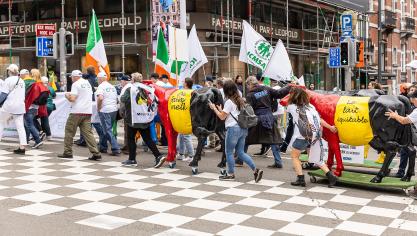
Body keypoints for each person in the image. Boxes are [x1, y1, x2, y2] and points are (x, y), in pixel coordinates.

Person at [209, 80, 263, 182]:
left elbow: (221, 117)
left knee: (229, 152)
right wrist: (221, 110)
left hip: (233, 129)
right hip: (243, 128)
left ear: (226, 90)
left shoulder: (229, 102)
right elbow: (232, 114)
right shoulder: (241, 100)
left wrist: (214, 109)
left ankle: (230, 174)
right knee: (240, 152)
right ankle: (256, 170)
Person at [287, 87, 338, 187]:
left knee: (295, 156)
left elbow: (283, 100)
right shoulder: (310, 106)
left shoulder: (292, 107)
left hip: (302, 136)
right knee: (316, 157)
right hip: (315, 135)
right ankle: (331, 176)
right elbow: (319, 120)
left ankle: (300, 178)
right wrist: (330, 127)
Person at [120, 72, 166, 167]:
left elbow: (123, 99)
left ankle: (132, 160)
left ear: (133, 80)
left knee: (130, 138)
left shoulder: (130, 88)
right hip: (145, 117)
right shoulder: (148, 88)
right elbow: (156, 101)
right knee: (147, 138)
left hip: (133, 118)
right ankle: (158, 156)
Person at [244, 76, 290, 169]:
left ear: (250, 84)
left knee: (246, 138)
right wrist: (289, 86)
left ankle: (239, 160)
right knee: (273, 140)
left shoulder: (250, 95)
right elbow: (279, 93)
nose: (247, 88)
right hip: (269, 117)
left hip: (257, 118)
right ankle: (278, 161)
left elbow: (249, 109)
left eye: (247, 85)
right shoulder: (266, 89)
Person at [58, 70, 101, 160]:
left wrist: (67, 95)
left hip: (76, 112)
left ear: (74, 77)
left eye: (72, 77)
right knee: (88, 133)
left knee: (69, 132)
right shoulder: (88, 83)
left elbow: (72, 99)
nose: (72, 79)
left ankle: (68, 152)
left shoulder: (76, 84)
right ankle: (96, 153)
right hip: (87, 111)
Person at [0, 64, 27, 154]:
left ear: (9, 71)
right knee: (20, 126)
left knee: (1, 123)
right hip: (19, 106)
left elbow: (3, 94)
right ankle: (22, 147)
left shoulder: (8, 80)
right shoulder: (22, 81)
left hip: (9, 106)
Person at [96, 72, 121, 155]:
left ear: (99, 79)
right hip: (114, 109)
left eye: (97, 79)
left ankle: (115, 148)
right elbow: (117, 99)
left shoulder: (100, 87)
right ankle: (103, 147)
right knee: (106, 128)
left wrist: (99, 108)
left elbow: (100, 98)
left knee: (107, 130)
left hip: (105, 110)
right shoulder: (112, 86)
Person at [23, 69, 44, 148]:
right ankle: (33, 138)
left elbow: (27, 95)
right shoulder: (40, 83)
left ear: (32, 74)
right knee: (30, 124)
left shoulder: (31, 83)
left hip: (30, 106)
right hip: (36, 107)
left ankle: (38, 140)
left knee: (29, 124)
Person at [177, 78, 195, 162]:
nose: (182, 82)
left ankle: (191, 155)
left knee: (186, 136)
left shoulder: (191, 92)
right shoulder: (186, 91)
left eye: (184, 81)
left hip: (187, 116)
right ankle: (181, 154)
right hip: (182, 116)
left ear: (186, 83)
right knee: (181, 135)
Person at [118, 75, 132, 153]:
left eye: (121, 81)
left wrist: (121, 111)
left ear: (125, 81)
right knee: (127, 130)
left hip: (127, 111)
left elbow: (122, 100)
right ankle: (126, 145)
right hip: (129, 111)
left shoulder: (126, 88)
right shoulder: (130, 86)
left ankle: (128, 147)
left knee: (128, 130)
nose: (120, 82)